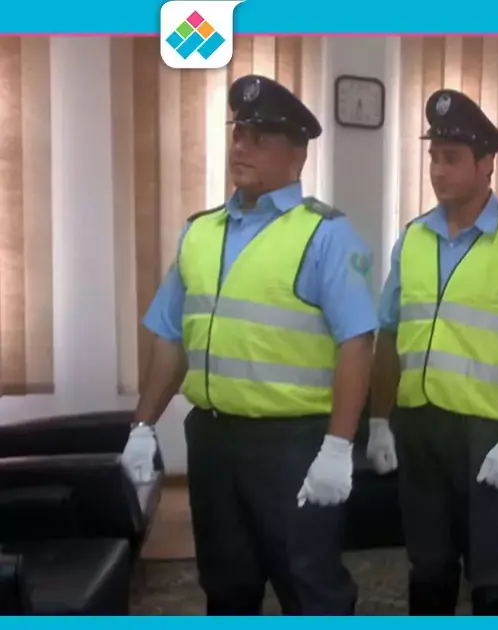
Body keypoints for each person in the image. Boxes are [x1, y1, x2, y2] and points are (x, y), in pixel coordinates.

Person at [118, 74, 375, 615]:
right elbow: (170, 336)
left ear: (297, 155)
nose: (241, 146)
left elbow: (357, 343)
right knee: (226, 586)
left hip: (292, 444)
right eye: (238, 132)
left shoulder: (325, 235)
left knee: (310, 589)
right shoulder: (199, 232)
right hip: (213, 440)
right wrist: (142, 426)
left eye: (259, 138)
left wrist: (338, 446)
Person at [364, 89, 498, 615]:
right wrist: (379, 420)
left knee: (490, 565)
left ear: (486, 163)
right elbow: (389, 332)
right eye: (433, 156)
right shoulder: (413, 238)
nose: (437, 170)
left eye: (451, 158)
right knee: (427, 560)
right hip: (419, 422)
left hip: (485, 431)